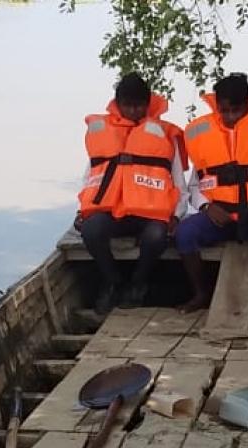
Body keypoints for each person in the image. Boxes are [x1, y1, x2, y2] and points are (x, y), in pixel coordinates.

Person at [175, 73, 248, 317]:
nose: (229, 117)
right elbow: (195, 185)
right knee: (185, 233)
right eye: (224, 111)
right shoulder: (202, 134)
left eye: (235, 110)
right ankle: (200, 294)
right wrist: (207, 207)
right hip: (220, 214)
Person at [75, 72, 188, 314]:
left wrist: (176, 216)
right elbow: (92, 176)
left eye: (139, 106)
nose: (134, 111)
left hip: (150, 214)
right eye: (128, 105)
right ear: (118, 104)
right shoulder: (102, 133)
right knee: (91, 230)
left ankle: (138, 282)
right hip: (112, 212)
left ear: (148, 104)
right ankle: (112, 281)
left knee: (156, 237)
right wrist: (82, 211)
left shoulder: (165, 134)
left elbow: (178, 181)